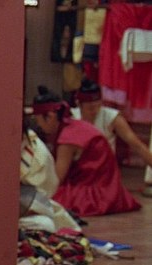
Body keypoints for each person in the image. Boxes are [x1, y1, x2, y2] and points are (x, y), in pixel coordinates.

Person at [30, 85, 140, 217]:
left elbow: (56, 180)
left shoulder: (67, 139)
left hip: (95, 192)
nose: (39, 125)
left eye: (38, 120)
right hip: (110, 188)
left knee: (41, 200)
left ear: (50, 116)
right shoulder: (72, 124)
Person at [70, 78, 152, 197]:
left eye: (98, 106)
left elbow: (137, 146)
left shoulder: (111, 117)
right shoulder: (72, 117)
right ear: (79, 104)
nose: (95, 111)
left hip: (104, 171)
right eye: (90, 108)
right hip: (79, 171)